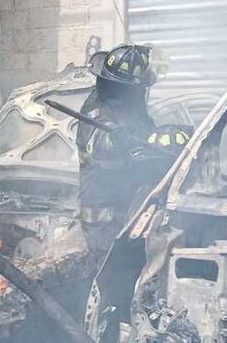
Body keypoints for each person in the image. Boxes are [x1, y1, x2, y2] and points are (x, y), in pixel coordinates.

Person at [76, 43, 186, 255]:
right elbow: (99, 144)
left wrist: (162, 140)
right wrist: (117, 139)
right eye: (138, 88)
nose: (141, 93)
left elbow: (146, 136)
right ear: (125, 87)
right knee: (110, 271)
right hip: (102, 214)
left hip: (129, 206)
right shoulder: (95, 109)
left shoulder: (131, 106)